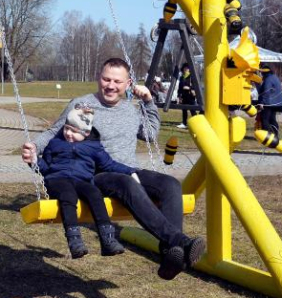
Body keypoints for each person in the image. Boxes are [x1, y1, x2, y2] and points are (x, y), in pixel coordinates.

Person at [21, 57, 204, 280]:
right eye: (106, 79)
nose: (110, 85)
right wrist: (34, 147)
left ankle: (171, 256)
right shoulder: (82, 104)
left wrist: (148, 102)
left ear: (127, 84)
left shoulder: (130, 109)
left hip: (127, 169)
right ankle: (181, 242)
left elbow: (150, 134)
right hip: (96, 175)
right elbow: (55, 132)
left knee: (170, 184)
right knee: (125, 182)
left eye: (117, 81)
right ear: (99, 78)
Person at [36, 104, 132, 258]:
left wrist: (131, 170)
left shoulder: (93, 147)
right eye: (66, 128)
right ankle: (75, 242)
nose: (68, 133)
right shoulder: (55, 143)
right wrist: (34, 161)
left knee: (94, 193)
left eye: (74, 131)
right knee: (68, 195)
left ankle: (108, 240)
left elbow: (109, 164)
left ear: (86, 132)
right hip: (57, 179)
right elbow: (45, 167)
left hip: (81, 180)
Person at [256, 63, 282, 135]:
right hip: (276, 103)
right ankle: (275, 134)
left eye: (261, 72)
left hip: (268, 103)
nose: (261, 74)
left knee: (265, 119)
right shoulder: (274, 77)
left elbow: (266, 91)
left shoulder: (268, 79)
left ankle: (268, 135)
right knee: (272, 119)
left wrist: (261, 102)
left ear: (264, 72)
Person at [177, 63, 197, 129]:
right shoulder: (181, 77)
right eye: (185, 68)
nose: (186, 69)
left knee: (192, 110)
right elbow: (179, 87)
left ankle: (196, 123)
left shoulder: (192, 77)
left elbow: (195, 86)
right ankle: (184, 123)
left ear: (189, 69)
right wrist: (179, 96)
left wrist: (189, 88)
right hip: (184, 96)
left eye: (187, 68)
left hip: (190, 96)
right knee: (184, 110)